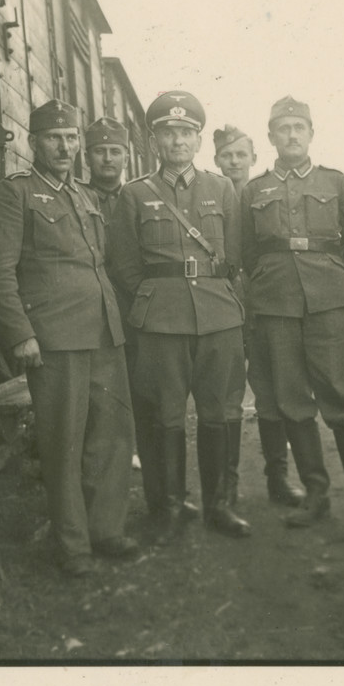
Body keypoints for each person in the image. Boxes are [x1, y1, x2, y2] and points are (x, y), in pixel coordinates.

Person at [0, 99, 138, 577]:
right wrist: (21, 334)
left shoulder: (85, 196)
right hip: (55, 337)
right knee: (63, 442)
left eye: (71, 139)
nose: (65, 147)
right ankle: (74, 546)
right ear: (33, 143)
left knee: (111, 438)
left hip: (105, 332)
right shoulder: (17, 194)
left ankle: (107, 531)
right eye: (54, 138)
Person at [240, 96, 344, 537]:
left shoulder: (337, 182)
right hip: (276, 303)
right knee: (292, 403)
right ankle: (317, 494)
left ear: (311, 133)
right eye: (282, 128)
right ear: (270, 137)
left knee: (340, 400)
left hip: (327, 302)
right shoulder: (253, 190)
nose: (291, 135)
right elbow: (247, 252)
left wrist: (330, 278)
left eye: (299, 127)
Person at [110, 92, 250, 542]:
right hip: (162, 320)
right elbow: (125, 266)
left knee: (220, 413)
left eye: (186, 132)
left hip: (218, 316)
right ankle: (168, 506)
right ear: (154, 140)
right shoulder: (134, 195)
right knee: (164, 416)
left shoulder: (222, 188)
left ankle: (220, 506)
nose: (177, 141)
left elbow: (236, 252)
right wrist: (153, 303)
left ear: (199, 139)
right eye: (168, 133)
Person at [83, 116, 198, 520]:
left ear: (126, 156)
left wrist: (142, 308)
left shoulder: (144, 195)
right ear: (88, 156)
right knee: (102, 418)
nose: (108, 159)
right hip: (96, 324)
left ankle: (164, 499)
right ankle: (98, 512)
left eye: (115, 151)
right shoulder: (80, 199)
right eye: (100, 152)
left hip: (143, 320)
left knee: (156, 411)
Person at [213, 123, 305, 508]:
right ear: (216, 160)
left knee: (273, 391)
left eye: (240, 155)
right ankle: (226, 484)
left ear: (253, 157)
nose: (234, 162)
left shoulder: (263, 195)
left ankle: (278, 478)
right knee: (225, 395)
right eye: (226, 156)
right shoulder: (210, 195)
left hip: (266, 306)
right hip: (222, 308)